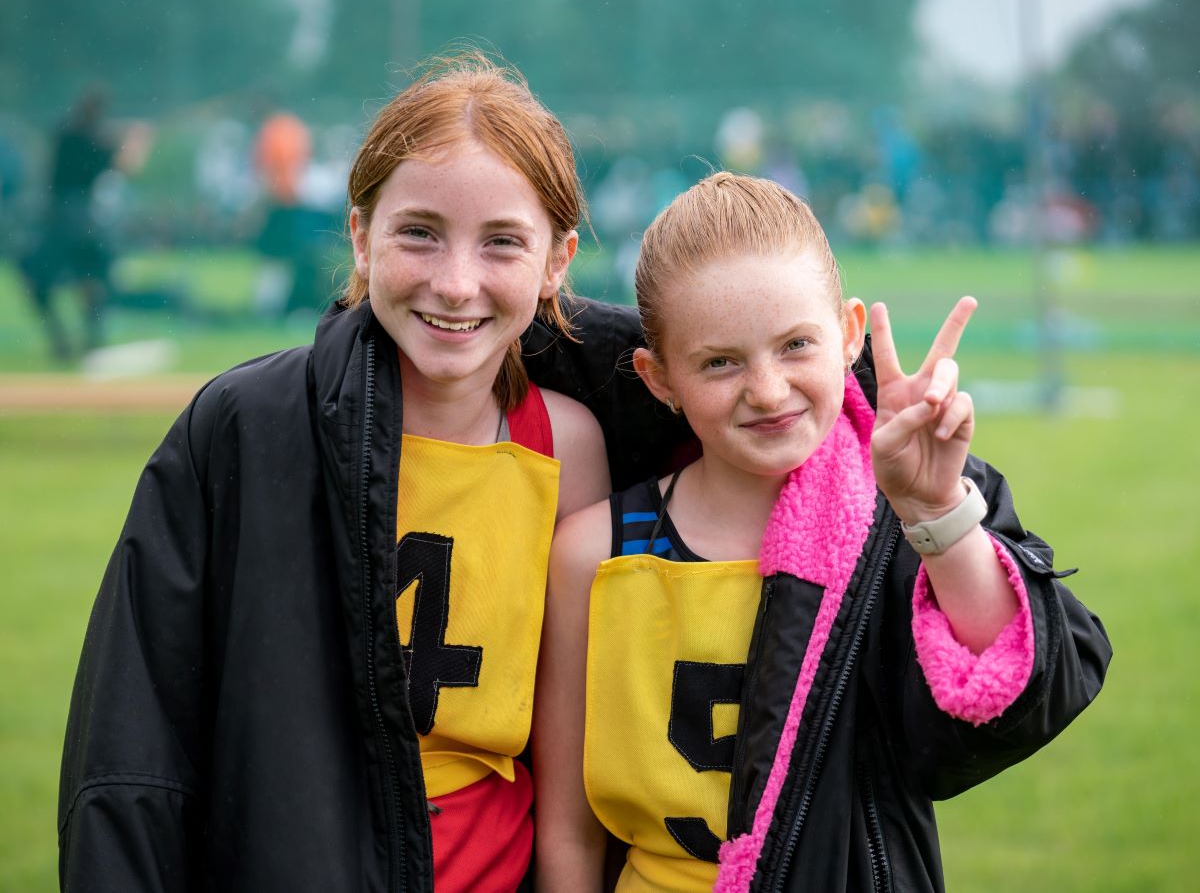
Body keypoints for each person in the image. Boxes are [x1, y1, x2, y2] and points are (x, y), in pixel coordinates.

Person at [59, 53, 654, 892]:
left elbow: (573, 759)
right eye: (419, 232)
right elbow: (136, 745)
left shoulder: (573, 445)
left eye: (502, 243)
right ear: (359, 237)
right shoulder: (244, 429)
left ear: (557, 261)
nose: (456, 284)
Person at [534, 173, 1111, 892]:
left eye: (796, 345)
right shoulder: (595, 553)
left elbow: (1012, 688)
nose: (768, 390)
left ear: (848, 334)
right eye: (720, 362)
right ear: (659, 380)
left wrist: (934, 508)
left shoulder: (889, 522)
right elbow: (567, 830)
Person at [20, 86, 151, 361]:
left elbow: (85, 137)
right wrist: (139, 137)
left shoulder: (66, 134)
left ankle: (62, 339)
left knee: (40, 277)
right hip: (84, 220)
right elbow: (127, 167)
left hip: (57, 216)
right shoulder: (94, 142)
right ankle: (92, 339)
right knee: (92, 278)